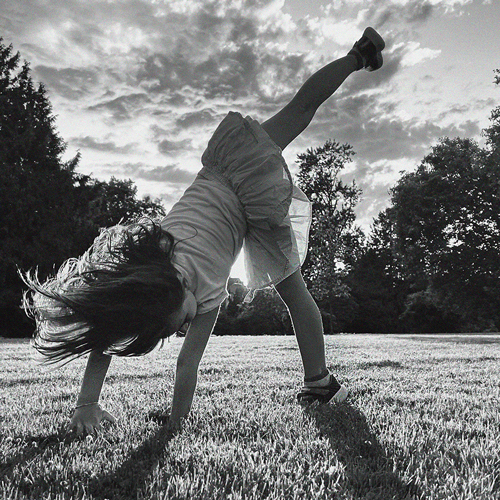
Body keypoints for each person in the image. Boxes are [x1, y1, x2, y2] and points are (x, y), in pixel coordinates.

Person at [22, 27, 385, 435]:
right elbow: (112, 329)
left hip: (247, 184)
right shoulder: (155, 260)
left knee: (294, 288)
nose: (178, 332)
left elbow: (186, 364)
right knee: (299, 110)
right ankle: (359, 54)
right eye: (170, 332)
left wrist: (174, 428)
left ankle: (319, 381)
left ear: (175, 292)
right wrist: (87, 403)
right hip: (228, 172)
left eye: (172, 326)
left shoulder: (207, 292)